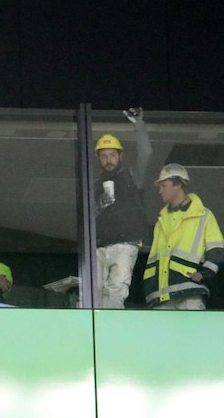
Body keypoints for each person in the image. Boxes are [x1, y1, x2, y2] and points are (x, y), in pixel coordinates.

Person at [143, 164, 224, 310]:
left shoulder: (203, 215)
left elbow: (217, 250)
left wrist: (204, 274)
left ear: (178, 185)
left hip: (189, 294)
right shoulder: (161, 220)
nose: (160, 191)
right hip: (160, 297)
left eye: (163, 185)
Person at [94, 107, 152, 308]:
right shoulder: (95, 184)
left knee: (116, 289)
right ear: (98, 159)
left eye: (112, 155)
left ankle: (110, 328)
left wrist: (138, 125)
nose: (108, 160)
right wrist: (99, 207)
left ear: (120, 156)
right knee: (96, 294)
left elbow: (146, 153)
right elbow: (87, 216)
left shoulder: (131, 177)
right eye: (103, 156)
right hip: (100, 245)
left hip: (125, 243)